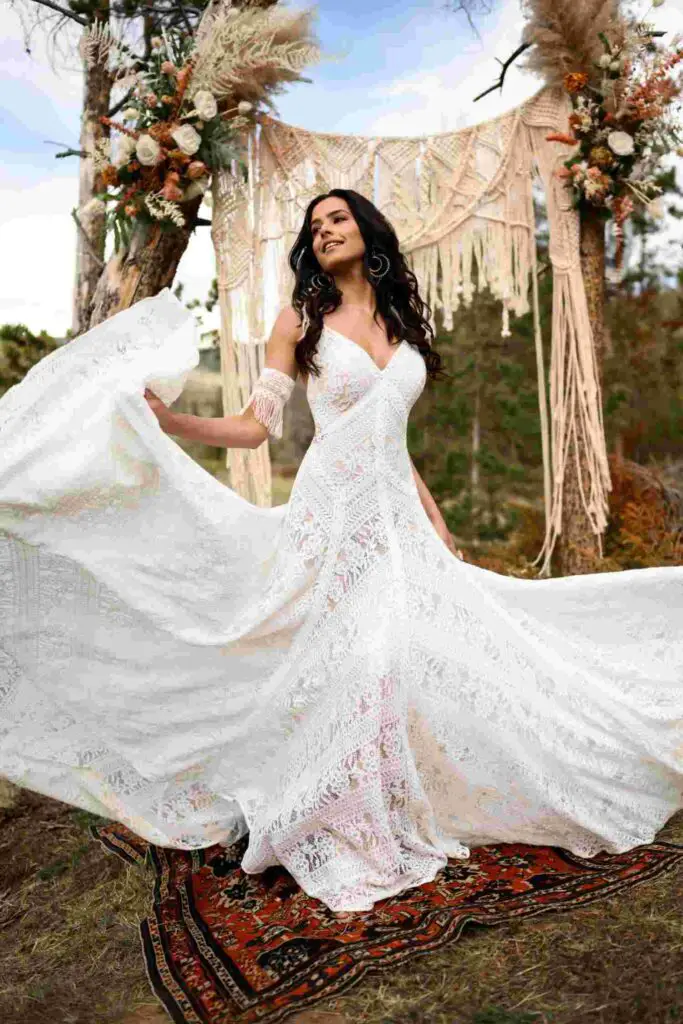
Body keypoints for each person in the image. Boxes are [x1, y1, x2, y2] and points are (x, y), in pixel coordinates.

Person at [0, 188, 681, 915]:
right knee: (358, 655)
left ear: (367, 230)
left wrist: (435, 518)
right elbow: (257, 426)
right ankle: (342, 800)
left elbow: (391, 436)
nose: (325, 232)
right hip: (333, 515)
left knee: (442, 645)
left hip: (397, 518)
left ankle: (412, 775)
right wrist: (170, 422)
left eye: (338, 219)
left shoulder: (397, 321)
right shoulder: (299, 321)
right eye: (315, 226)